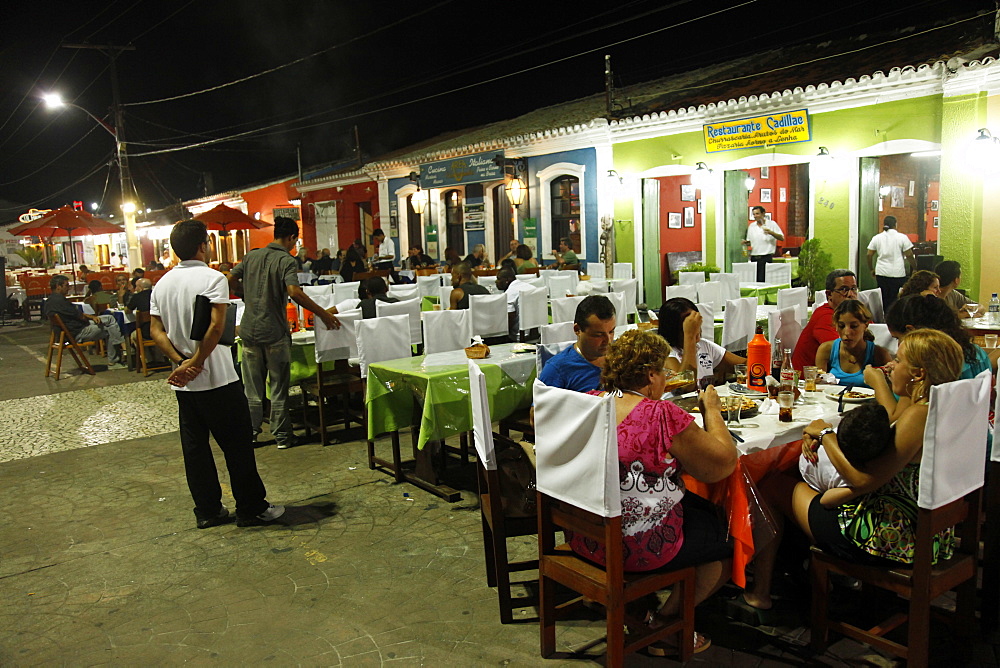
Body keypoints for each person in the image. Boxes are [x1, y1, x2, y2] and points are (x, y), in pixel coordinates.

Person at [744, 328, 965, 612]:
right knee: (801, 479)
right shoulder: (936, 405)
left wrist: (825, 434)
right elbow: (892, 423)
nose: (891, 366)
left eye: (898, 361)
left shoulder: (919, 417)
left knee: (771, 484)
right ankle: (811, 576)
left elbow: (861, 479)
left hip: (886, 538)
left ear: (919, 374)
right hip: (927, 532)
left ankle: (761, 591)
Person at [568, 329, 737, 655]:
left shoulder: (585, 402)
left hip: (586, 536)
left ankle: (639, 610)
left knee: (695, 510)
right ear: (650, 374)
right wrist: (712, 410)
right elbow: (721, 464)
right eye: (663, 371)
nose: (665, 378)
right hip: (636, 547)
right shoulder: (661, 415)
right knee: (725, 543)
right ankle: (664, 621)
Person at [149, 219, 284, 529]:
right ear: (203, 245)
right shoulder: (213, 278)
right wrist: (196, 361)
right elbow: (217, 326)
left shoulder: (162, 283)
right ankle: (251, 507)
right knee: (237, 446)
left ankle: (208, 510)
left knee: (195, 451)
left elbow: (155, 329)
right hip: (218, 378)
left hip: (184, 385)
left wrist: (180, 361)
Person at [228, 217, 341, 449]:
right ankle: (282, 437)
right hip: (274, 332)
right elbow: (294, 292)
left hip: (249, 331)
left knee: (252, 388)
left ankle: (250, 433)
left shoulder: (251, 256)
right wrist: (322, 313)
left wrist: (244, 293)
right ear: (291, 237)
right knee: (279, 387)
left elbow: (229, 279)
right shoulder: (286, 260)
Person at [886, 293, 990, 379]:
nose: (899, 345)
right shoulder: (977, 352)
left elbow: (903, 403)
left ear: (911, 331)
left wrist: (882, 381)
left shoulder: (930, 370)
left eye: (897, 338)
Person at [799, 402, 892, 493]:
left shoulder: (860, 480)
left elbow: (826, 501)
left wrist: (824, 434)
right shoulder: (886, 460)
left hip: (812, 481)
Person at [657, 297, 745, 390]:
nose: (695, 325)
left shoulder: (704, 345)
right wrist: (690, 336)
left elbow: (744, 365)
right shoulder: (663, 353)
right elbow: (686, 387)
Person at [43, 274, 127, 369]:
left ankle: (121, 345)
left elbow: (77, 314)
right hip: (77, 332)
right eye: (66, 285)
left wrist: (91, 317)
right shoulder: (61, 301)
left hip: (67, 330)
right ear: (58, 286)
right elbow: (80, 316)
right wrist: (89, 318)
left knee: (110, 319)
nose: (68, 288)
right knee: (111, 329)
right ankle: (116, 358)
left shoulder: (50, 300)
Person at [538, 295, 616, 392]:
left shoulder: (621, 355)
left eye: (611, 331)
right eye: (598, 335)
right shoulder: (558, 369)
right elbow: (538, 407)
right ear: (577, 330)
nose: (608, 341)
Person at [815, 299, 892, 388]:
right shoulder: (826, 349)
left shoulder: (878, 354)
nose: (847, 332)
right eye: (841, 326)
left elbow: (890, 392)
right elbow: (819, 387)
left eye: (854, 326)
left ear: (866, 325)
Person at [792, 269, 857, 370]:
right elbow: (842, 354)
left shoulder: (850, 313)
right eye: (844, 289)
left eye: (853, 289)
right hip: (808, 381)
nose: (851, 294)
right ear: (829, 294)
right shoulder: (825, 317)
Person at [866, 215, 915, 314]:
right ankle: (896, 317)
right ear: (895, 224)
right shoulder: (902, 237)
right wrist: (915, 267)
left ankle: (885, 318)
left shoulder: (877, 238)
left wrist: (871, 269)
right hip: (898, 273)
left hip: (881, 272)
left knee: (884, 298)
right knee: (897, 298)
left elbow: (869, 255)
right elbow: (909, 254)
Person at [743, 206, 784, 282]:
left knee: (764, 280)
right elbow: (750, 242)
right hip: (754, 257)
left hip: (766, 257)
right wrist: (746, 243)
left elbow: (781, 238)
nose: (755, 216)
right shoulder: (752, 226)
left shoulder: (772, 224)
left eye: (757, 214)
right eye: (754, 214)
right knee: (754, 280)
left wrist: (771, 232)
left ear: (763, 213)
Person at [496, 266, 533, 340]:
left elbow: (509, 319)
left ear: (506, 280)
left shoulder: (510, 293)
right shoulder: (531, 287)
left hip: (517, 336)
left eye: (498, 279)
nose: (496, 282)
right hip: (535, 334)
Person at [127, 278, 153, 342]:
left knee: (133, 335)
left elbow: (128, 310)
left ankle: (144, 352)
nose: (135, 289)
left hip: (145, 332)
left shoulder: (137, 296)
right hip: (162, 329)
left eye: (136, 286)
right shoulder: (157, 294)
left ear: (141, 288)